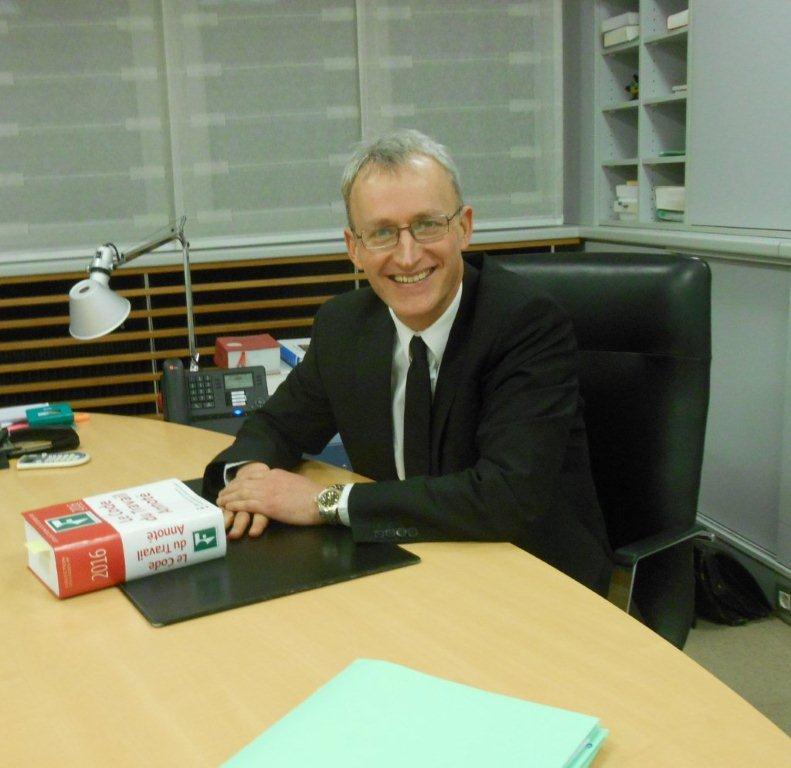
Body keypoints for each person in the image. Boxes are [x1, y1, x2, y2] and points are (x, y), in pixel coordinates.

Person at [203, 129, 612, 595]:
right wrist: (250, 477)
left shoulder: (526, 323)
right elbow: (277, 425)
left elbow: (506, 496)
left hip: (530, 577)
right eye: (381, 233)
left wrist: (325, 501)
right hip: (402, 567)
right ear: (353, 248)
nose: (408, 253)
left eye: (428, 224)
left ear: (464, 227)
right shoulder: (343, 325)